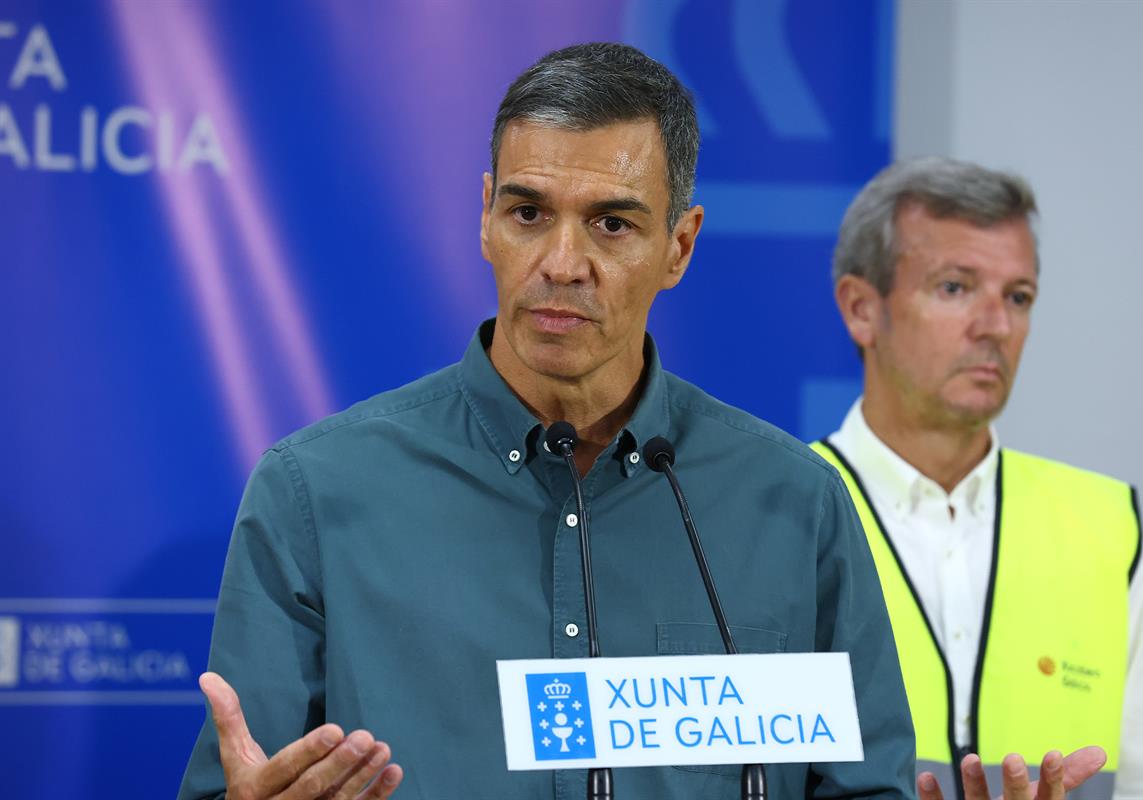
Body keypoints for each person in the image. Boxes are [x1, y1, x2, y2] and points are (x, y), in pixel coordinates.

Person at [178, 43, 923, 799]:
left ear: (680, 246)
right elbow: (238, 784)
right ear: (486, 219)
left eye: (611, 224)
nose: (562, 262)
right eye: (529, 213)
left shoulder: (793, 502)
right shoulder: (317, 492)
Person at [812, 156, 1143, 800]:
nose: (996, 327)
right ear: (861, 309)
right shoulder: (772, 513)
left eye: (1017, 297)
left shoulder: (1101, 523)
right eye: (956, 288)